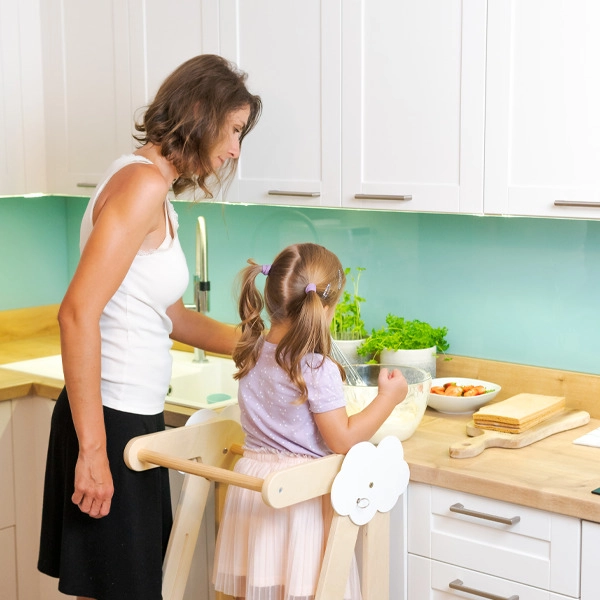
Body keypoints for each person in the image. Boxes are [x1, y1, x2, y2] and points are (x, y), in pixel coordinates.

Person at [37, 54, 262, 600]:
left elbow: (173, 316)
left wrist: (263, 345)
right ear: (201, 112)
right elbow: (76, 313)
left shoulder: (156, 190)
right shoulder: (141, 185)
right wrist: (94, 451)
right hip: (110, 422)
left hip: (130, 420)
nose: (235, 149)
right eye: (234, 130)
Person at [213, 243, 408, 600]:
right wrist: (388, 398)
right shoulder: (316, 368)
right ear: (327, 307)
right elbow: (342, 440)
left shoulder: (251, 349)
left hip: (254, 490)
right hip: (297, 499)